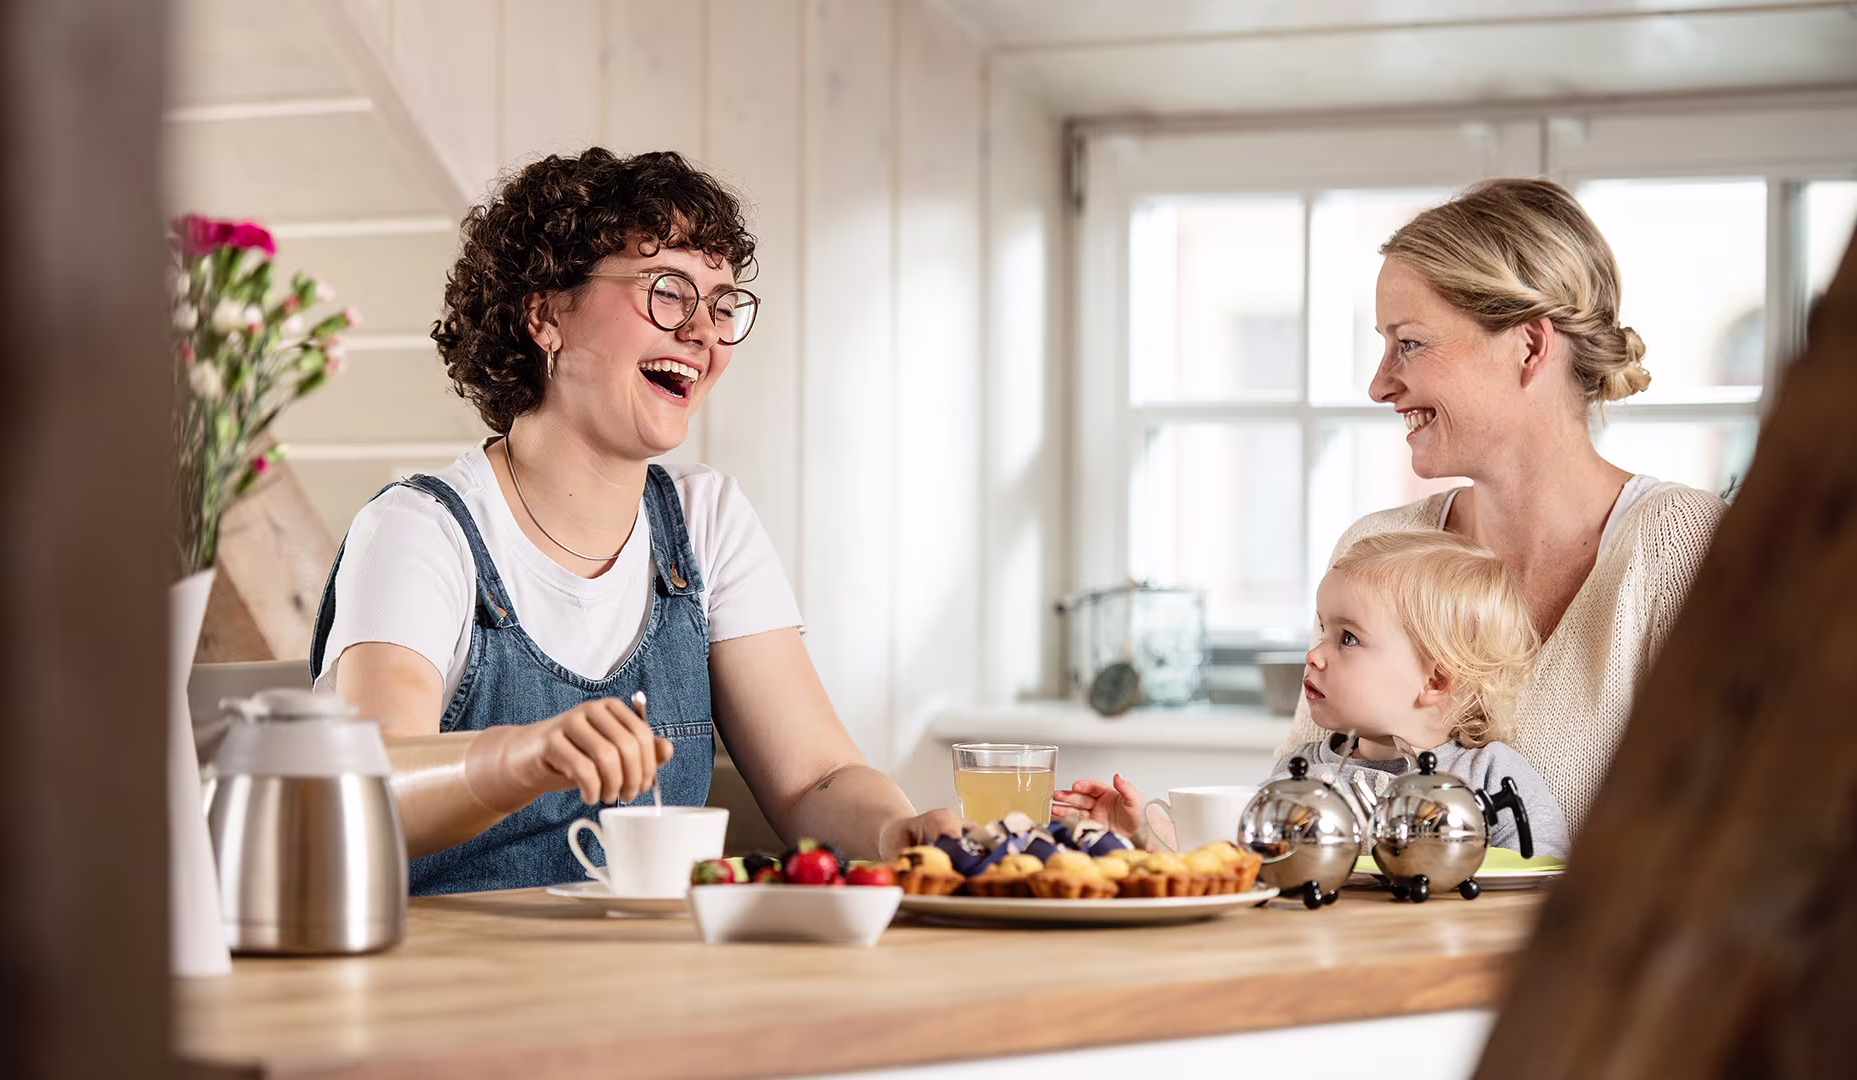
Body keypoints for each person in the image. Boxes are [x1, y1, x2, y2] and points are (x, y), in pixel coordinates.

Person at [309, 149, 958, 895]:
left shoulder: (704, 520)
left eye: (721, 305)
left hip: (647, 985)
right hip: (451, 992)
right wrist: (522, 756)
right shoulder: (421, 531)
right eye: (669, 292)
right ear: (545, 313)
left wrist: (892, 831)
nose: (704, 335)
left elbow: (815, 777)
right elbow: (371, 785)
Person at [1057, 531, 1569, 858]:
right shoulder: (1301, 775)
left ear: (1435, 680)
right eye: (1321, 630)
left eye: (1347, 638)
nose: (1315, 654)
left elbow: (1544, 885)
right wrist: (1144, 835)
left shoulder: (1490, 778)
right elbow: (1235, 870)